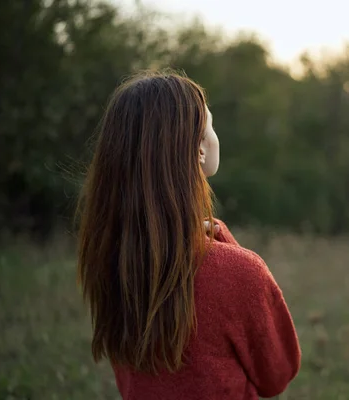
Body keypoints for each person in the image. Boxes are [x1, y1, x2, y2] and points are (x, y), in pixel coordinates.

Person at [76, 70, 301, 399]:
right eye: (210, 123)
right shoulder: (239, 273)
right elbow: (277, 375)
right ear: (197, 149)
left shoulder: (111, 256)